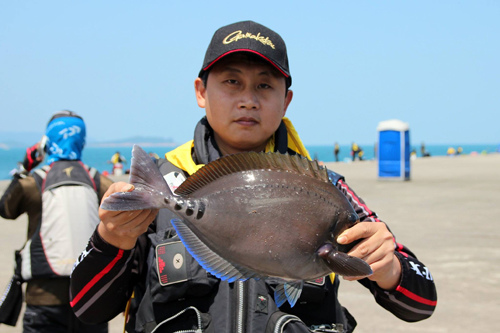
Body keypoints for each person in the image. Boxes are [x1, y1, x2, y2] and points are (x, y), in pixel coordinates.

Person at [69, 21, 437, 333]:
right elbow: (87, 309)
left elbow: (420, 304)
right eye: (231, 82)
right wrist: (111, 240)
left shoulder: (328, 188)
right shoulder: (161, 185)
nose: (248, 100)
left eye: (264, 85)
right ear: (201, 91)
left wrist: (388, 266)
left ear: (286, 100)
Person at [0, 110, 113, 333]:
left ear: (47, 141)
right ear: (81, 140)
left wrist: (24, 167)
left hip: (43, 299)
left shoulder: (32, 183)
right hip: (90, 299)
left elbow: (5, 209)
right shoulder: (99, 182)